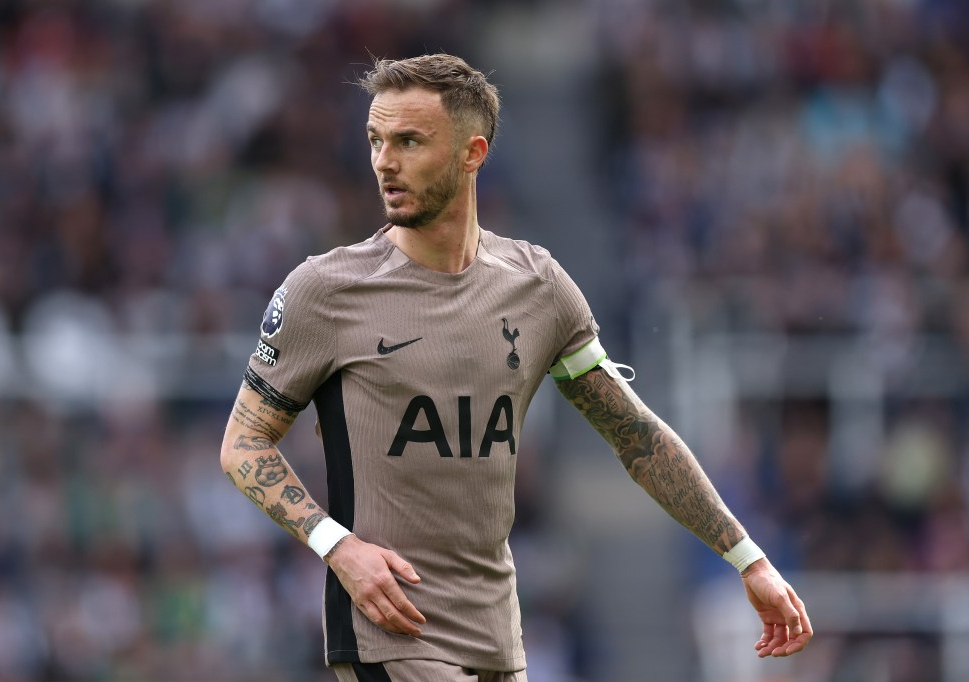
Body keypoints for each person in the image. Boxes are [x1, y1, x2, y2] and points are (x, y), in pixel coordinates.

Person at [219, 53, 812, 682]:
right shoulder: (326, 289)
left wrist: (747, 559)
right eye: (375, 140)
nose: (384, 161)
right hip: (391, 632)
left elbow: (635, 436)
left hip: (500, 640)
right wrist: (336, 546)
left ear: (472, 154)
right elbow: (242, 444)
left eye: (409, 141)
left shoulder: (538, 287)